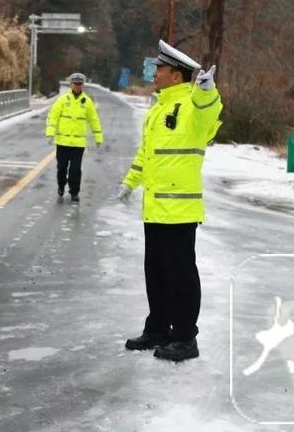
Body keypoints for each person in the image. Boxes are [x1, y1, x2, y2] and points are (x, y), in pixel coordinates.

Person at [118, 39, 223, 362]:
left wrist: (207, 91)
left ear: (176, 75)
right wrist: (130, 182)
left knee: (180, 276)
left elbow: (209, 115)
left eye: (159, 69)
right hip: (155, 209)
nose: (154, 73)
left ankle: (185, 338)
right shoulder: (158, 108)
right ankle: (158, 329)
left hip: (179, 210)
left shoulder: (192, 105)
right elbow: (146, 155)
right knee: (157, 273)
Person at [45, 72, 104, 203]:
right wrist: (50, 133)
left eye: (80, 84)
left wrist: (98, 137)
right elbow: (53, 116)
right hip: (62, 142)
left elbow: (94, 120)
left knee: (75, 169)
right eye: (75, 84)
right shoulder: (62, 100)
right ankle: (61, 185)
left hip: (78, 143)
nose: (77, 86)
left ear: (82, 85)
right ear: (71, 84)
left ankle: (74, 192)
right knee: (61, 168)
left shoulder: (87, 102)